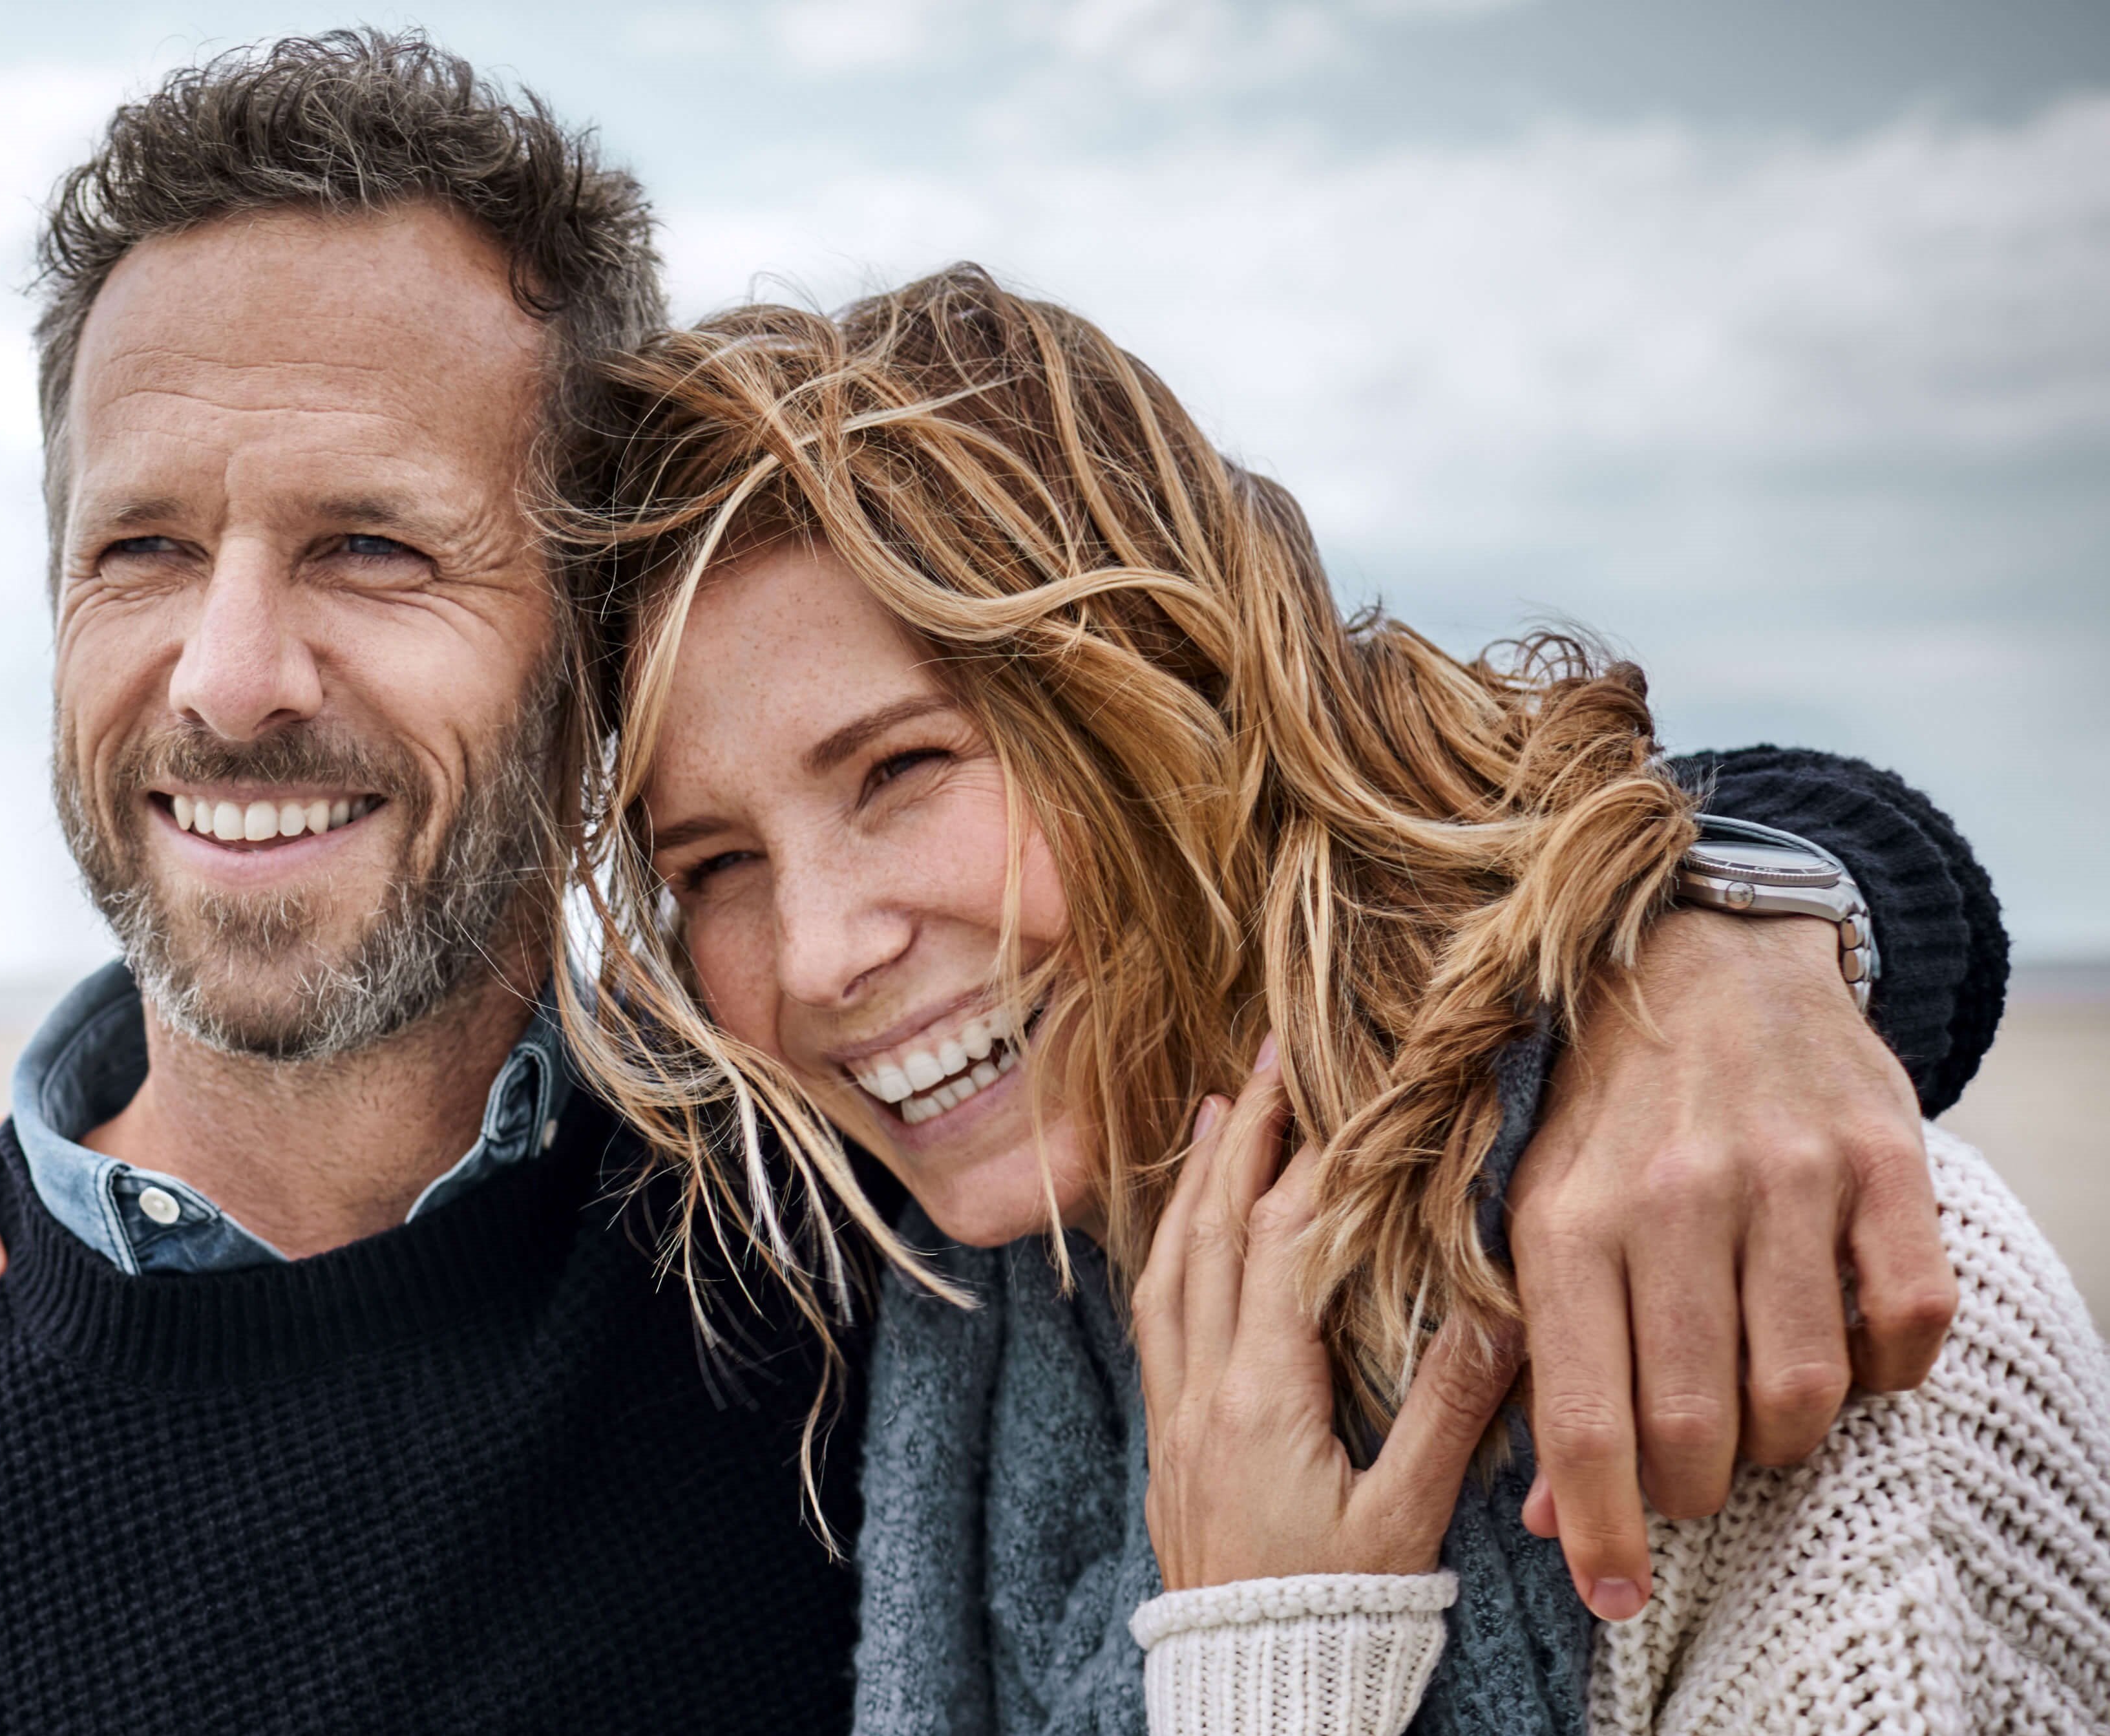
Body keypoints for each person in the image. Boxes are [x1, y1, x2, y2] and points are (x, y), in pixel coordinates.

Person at [0, 32, 2001, 1733]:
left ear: (594, 668)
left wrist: (1735, 940)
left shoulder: (841, 1273)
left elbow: (1372, 872)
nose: (235, 665)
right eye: (141, 548)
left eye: (374, 546)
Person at [556, 268, 2105, 1731]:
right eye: (713, 863)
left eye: (901, 768)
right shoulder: (906, 1308)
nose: (820, 953)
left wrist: (1267, 1670)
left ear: (1169, 701)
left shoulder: (1759, 1267)